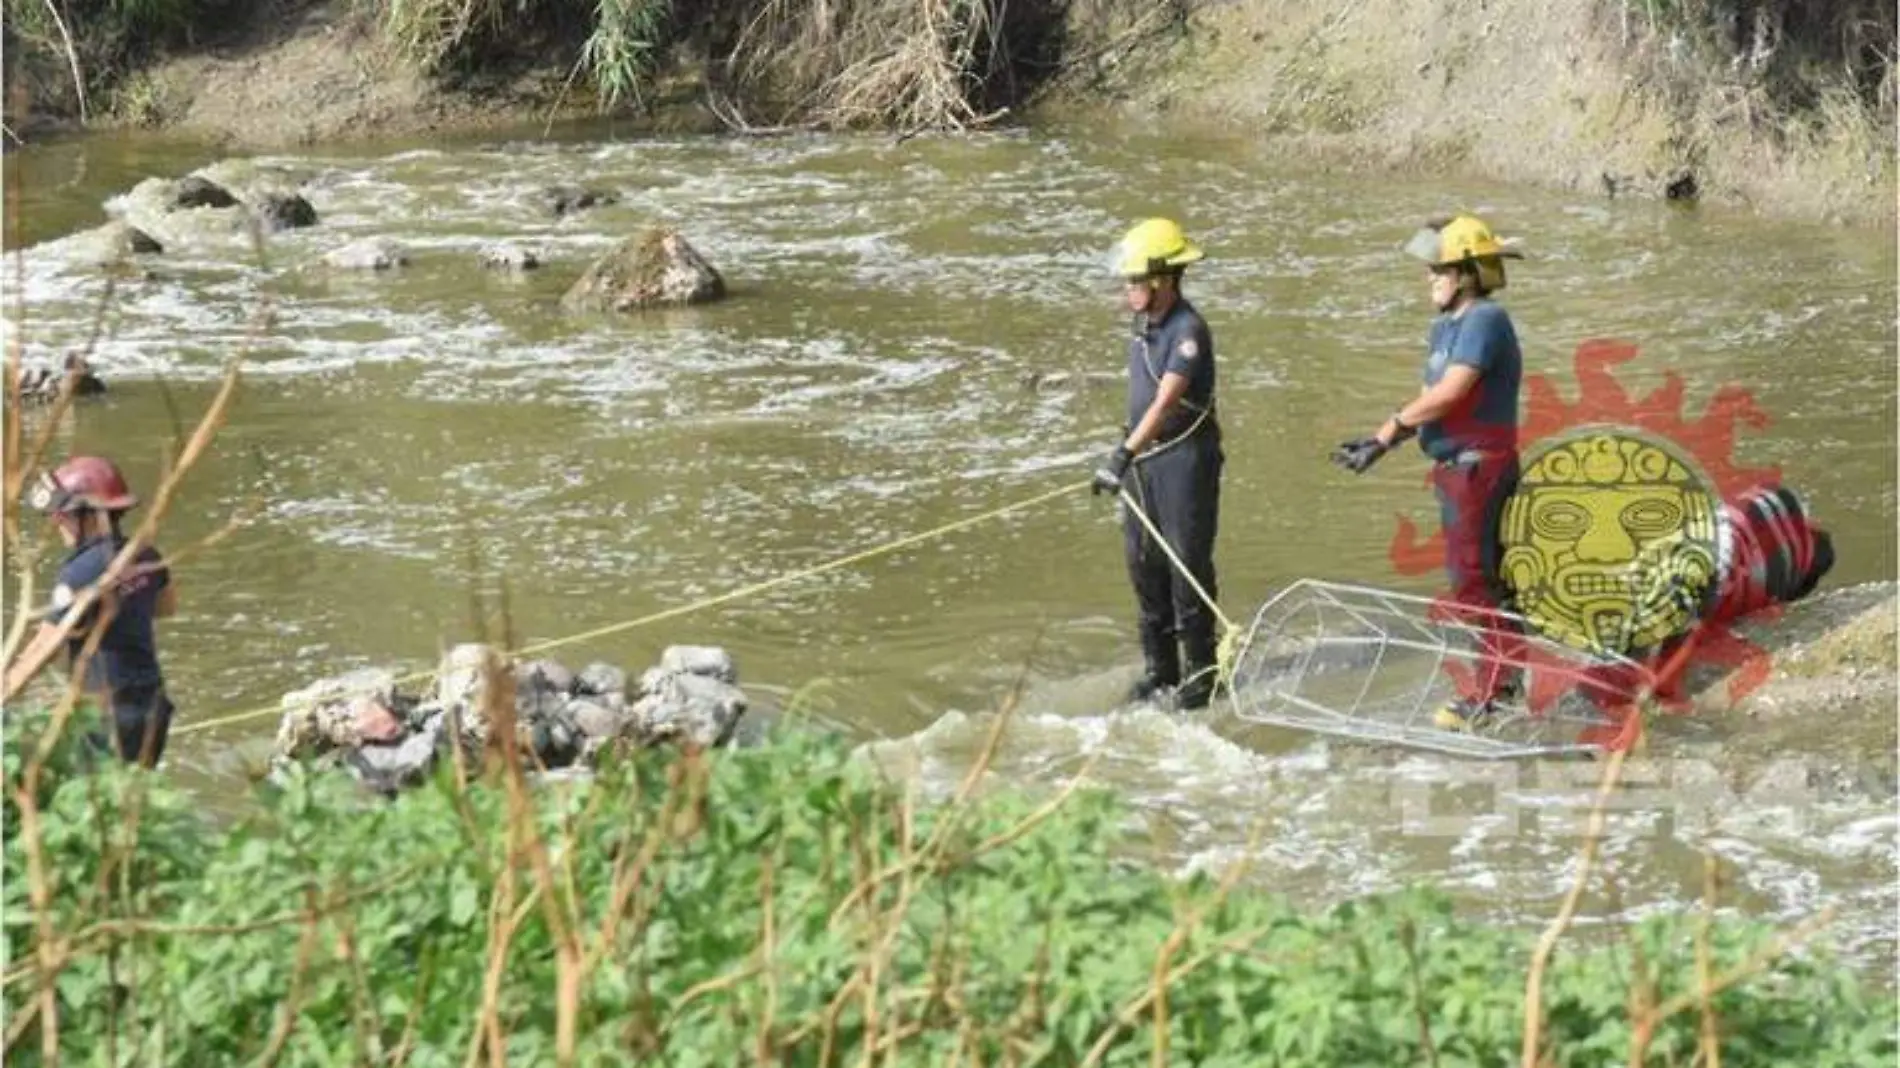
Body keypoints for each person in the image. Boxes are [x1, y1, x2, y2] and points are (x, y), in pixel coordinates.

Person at [1331, 214, 1524, 730]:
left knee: (1474, 581)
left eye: (1438, 270)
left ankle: (1494, 694)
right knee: (1477, 579)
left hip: (1478, 470)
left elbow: (1453, 391)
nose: (1429, 278)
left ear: (1464, 274)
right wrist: (1383, 441)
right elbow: (1432, 401)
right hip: (1455, 469)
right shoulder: (1447, 326)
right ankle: (1505, 680)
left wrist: (1391, 425)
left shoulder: (1485, 320)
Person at [1091, 218, 1225, 711]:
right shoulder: (1144, 324)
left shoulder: (1188, 330)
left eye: (1134, 281)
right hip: (1145, 461)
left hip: (1184, 460)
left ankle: (1203, 672)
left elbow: (1166, 401)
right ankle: (1160, 668)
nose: (1127, 290)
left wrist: (1121, 456)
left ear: (1164, 279)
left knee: (1184, 563)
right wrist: (1128, 456)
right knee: (1143, 563)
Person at [1, 456, 178, 767]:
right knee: (135, 803)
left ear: (92, 516)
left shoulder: (78, 572)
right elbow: (166, 608)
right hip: (152, 708)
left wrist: (5, 690)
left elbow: (43, 649)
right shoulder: (146, 554)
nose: (56, 521)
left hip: (104, 718)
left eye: (63, 514)